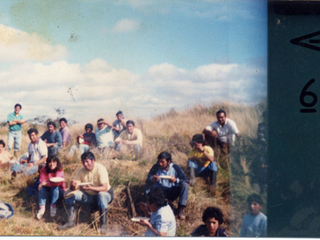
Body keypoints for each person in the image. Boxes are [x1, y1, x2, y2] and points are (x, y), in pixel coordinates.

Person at [58, 151, 113, 235]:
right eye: (83, 162)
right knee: (70, 195)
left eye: (87, 161)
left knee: (101, 195)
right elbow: (75, 187)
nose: (85, 164)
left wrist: (91, 188)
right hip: (88, 195)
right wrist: (72, 185)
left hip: (104, 194)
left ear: (93, 161)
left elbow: (104, 188)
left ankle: (103, 225)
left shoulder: (100, 169)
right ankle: (70, 222)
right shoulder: (81, 170)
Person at [144, 151, 189, 220]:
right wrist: (152, 179)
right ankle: (149, 207)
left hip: (172, 191)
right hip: (159, 192)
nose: (160, 164)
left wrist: (176, 180)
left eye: (162, 162)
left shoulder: (175, 167)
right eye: (159, 161)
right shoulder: (156, 167)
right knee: (147, 187)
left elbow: (185, 180)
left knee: (184, 185)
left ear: (168, 162)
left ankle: (180, 208)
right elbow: (148, 180)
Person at [37, 155, 66, 220]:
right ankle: (42, 208)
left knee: (54, 188)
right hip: (48, 190)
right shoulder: (43, 170)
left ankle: (53, 206)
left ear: (57, 163)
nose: (52, 164)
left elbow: (57, 182)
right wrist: (43, 184)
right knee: (42, 189)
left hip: (59, 191)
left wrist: (44, 183)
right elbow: (42, 180)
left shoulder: (60, 170)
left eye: (54, 162)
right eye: (50, 162)